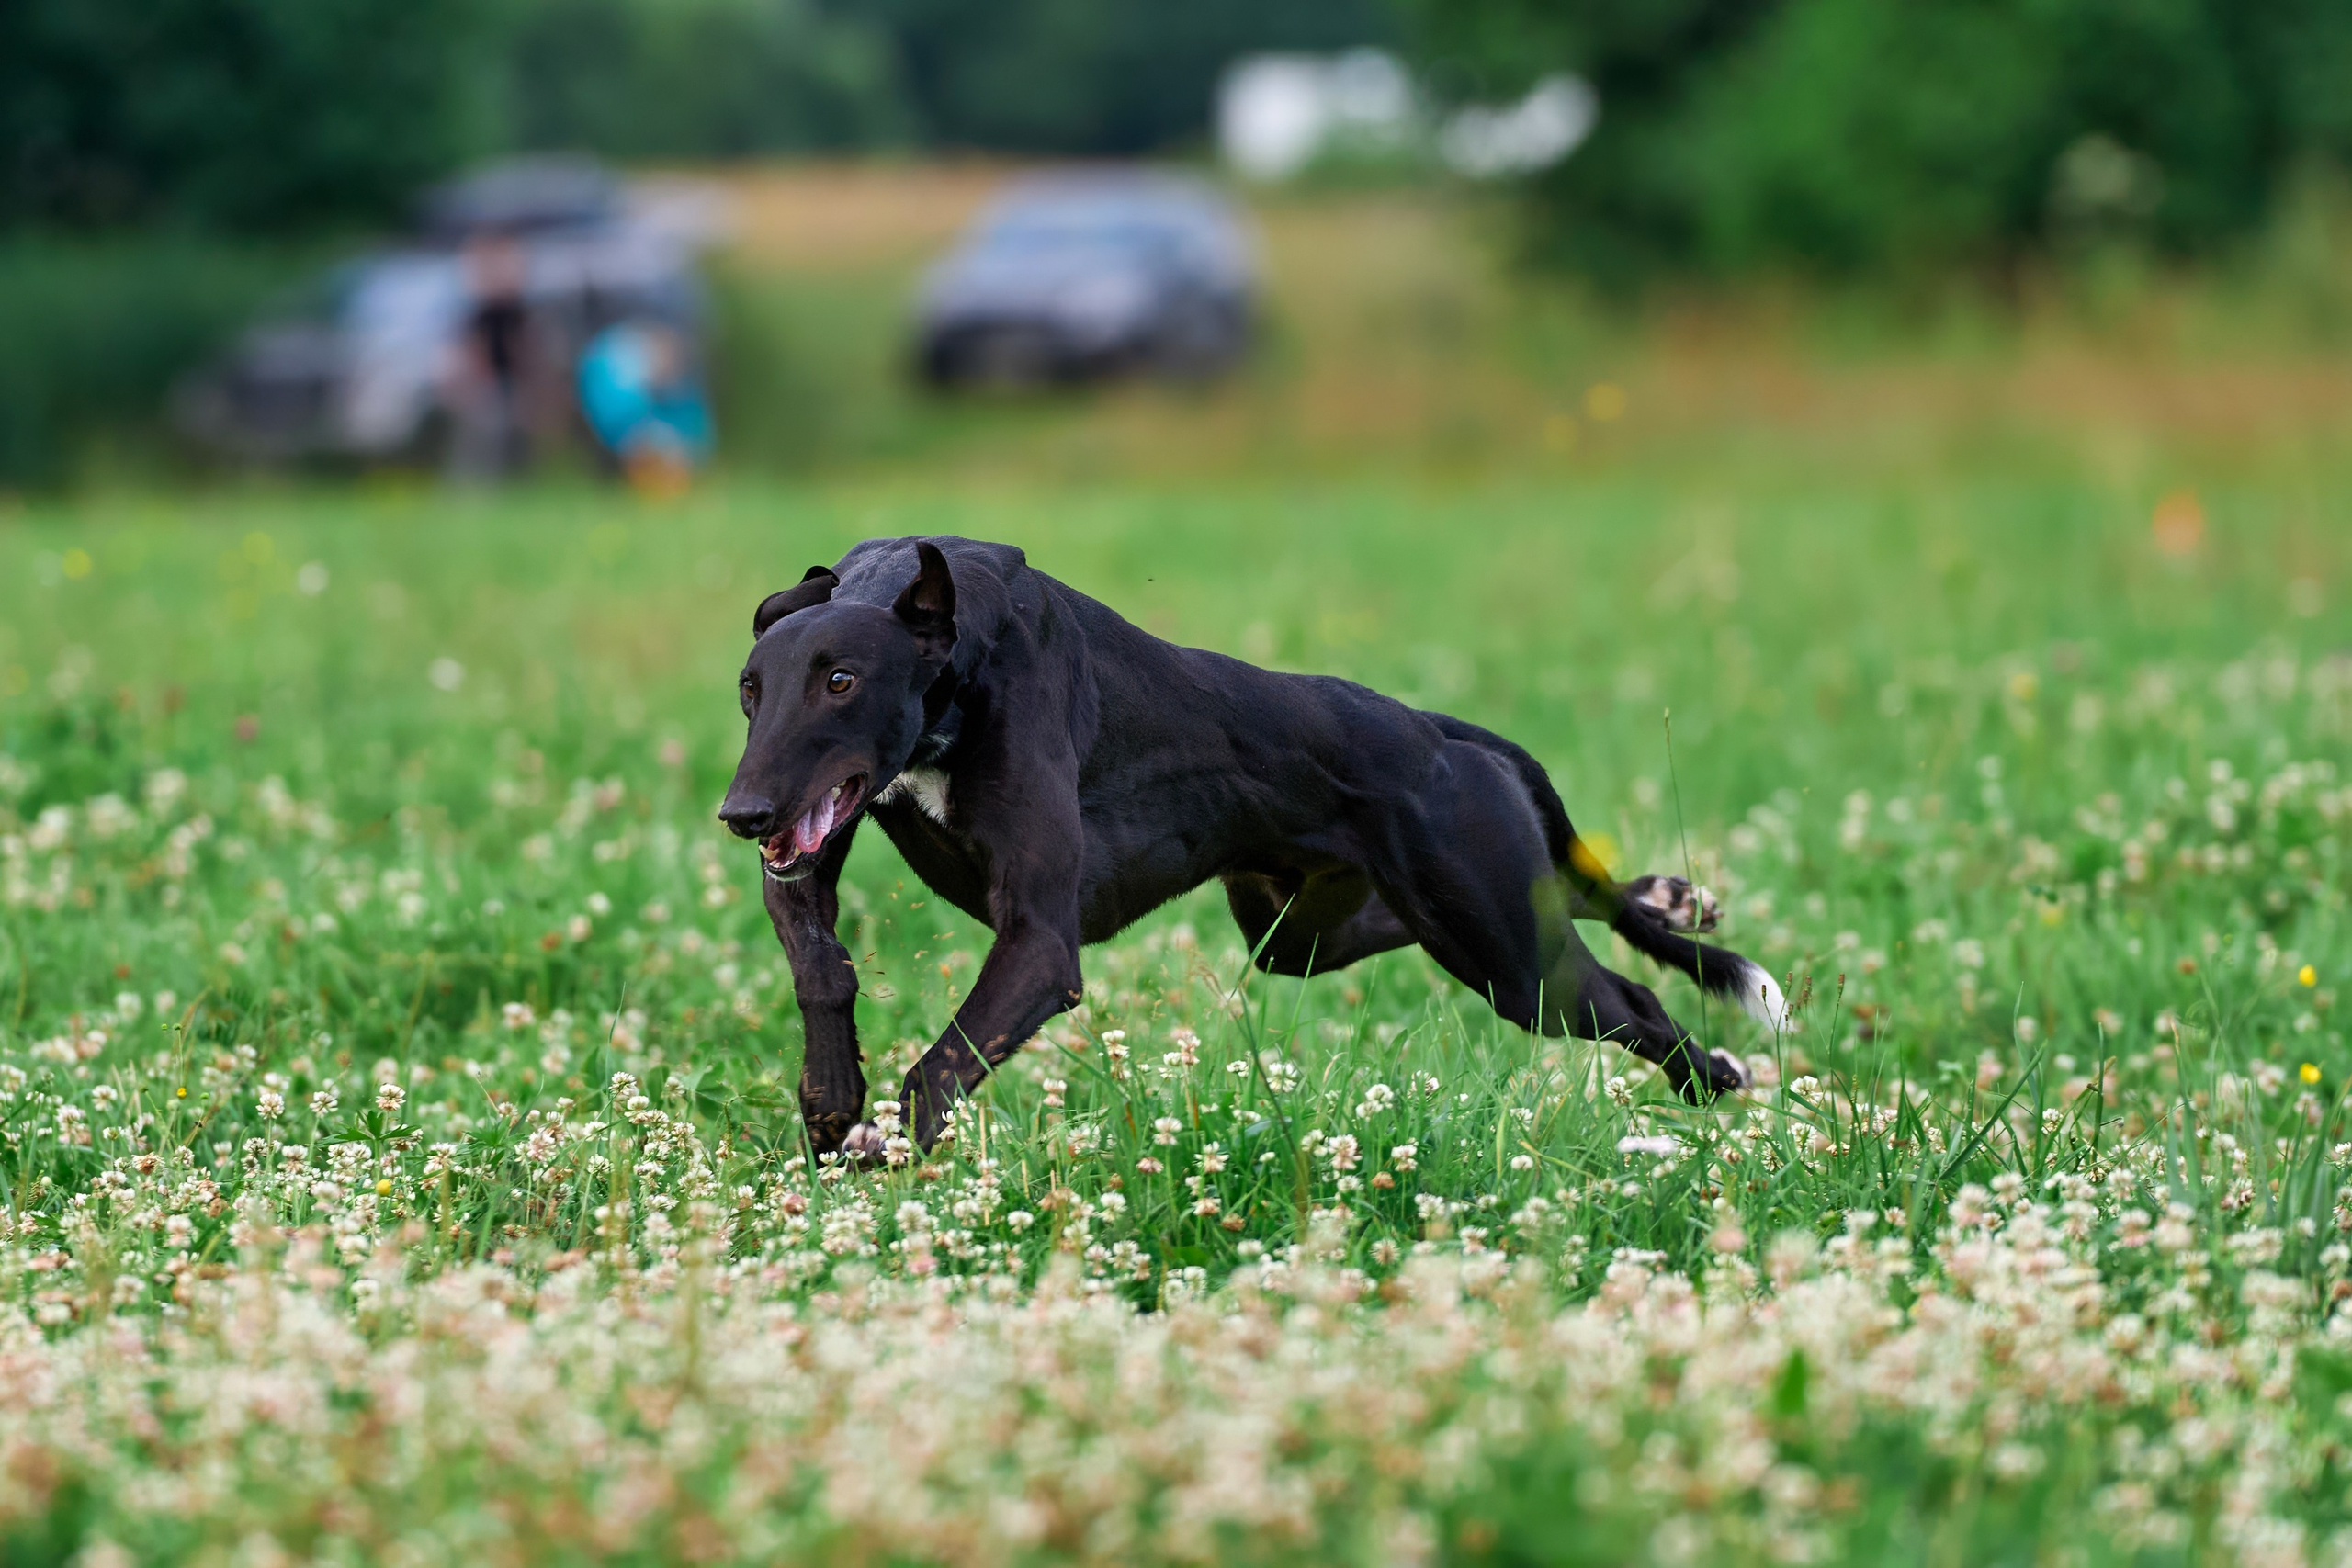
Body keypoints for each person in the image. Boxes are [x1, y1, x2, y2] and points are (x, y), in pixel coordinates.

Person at [575, 319, 713, 496]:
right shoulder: (617, 374)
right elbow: (615, 421)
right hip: (627, 437)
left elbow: (699, 434)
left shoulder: (682, 393)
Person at [446, 232, 537, 480]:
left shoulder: (514, 309)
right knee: (482, 436)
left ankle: (504, 482)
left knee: (509, 437)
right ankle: (472, 485)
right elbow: (474, 347)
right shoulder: (482, 310)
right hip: (486, 381)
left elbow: (524, 346)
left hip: (509, 378)